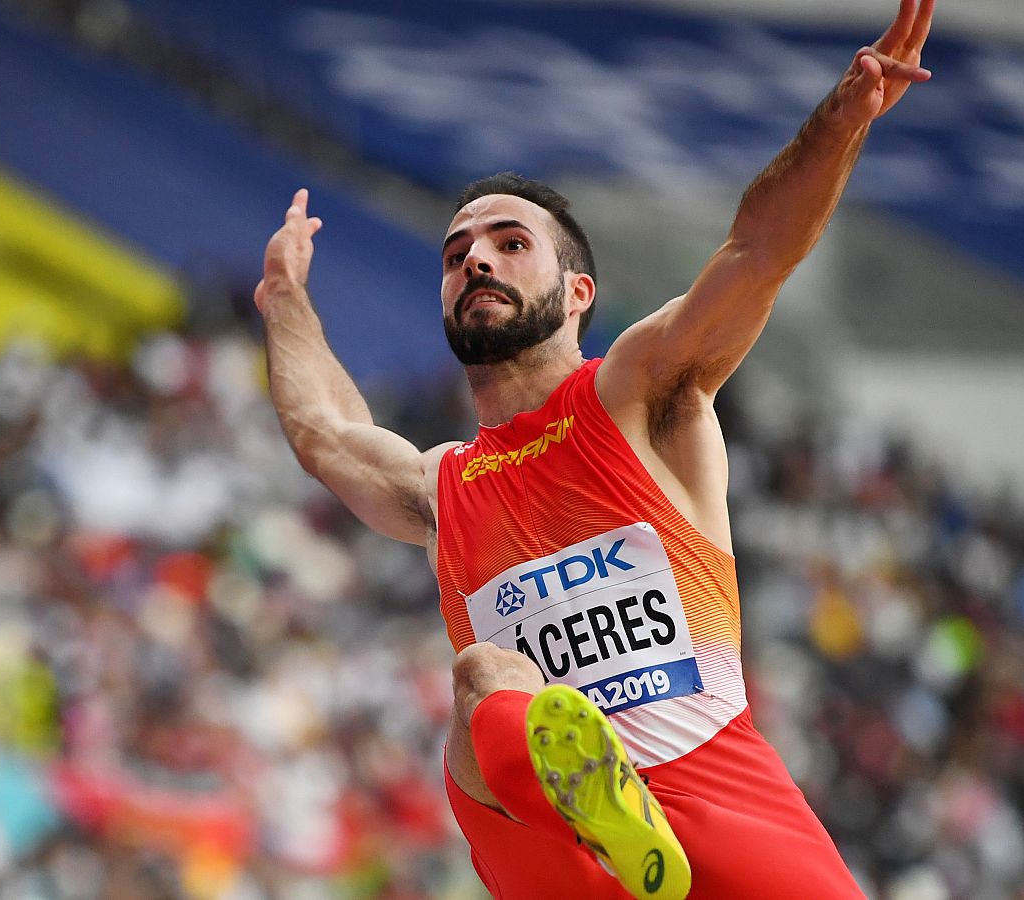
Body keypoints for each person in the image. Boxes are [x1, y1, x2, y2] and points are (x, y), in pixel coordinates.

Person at [254, 2, 935, 896]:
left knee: (489, 681)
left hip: (714, 783)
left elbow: (757, 251)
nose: (477, 263)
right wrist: (284, 303)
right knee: (483, 679)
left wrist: (844, 120)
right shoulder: (441, 483)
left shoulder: (642, 389)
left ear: (579, 292)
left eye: (508, 243)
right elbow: (323, 434)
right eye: (457, 255)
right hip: (556, 840)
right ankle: (596, 810)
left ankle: (625, 820)